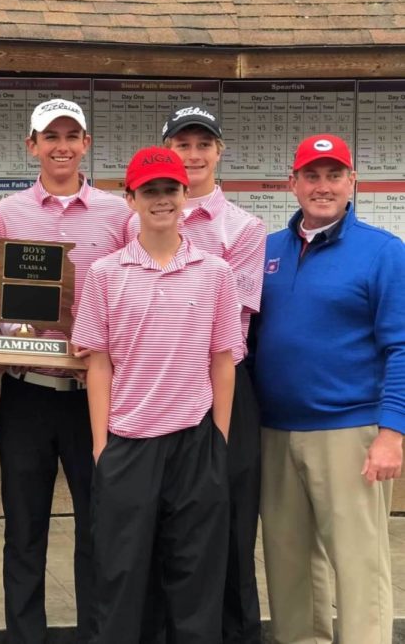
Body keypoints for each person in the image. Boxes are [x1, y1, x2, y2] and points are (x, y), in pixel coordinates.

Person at [73, 146, 240, 643]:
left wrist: (219, 441)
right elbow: (97, 362)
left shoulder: (216, 273)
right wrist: (102, 444)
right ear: (130, 199)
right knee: (121, 577)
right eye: (150, 191)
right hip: (128, 441)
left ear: (185, 196)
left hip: (194, 440)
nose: (161, 200)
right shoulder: (105, 274)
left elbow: (222, 361)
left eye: (170, 190)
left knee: (194, 577)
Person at [253, 134, 404, 644]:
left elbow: (401, 348)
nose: (323, 186)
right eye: (312, 175)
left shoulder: (383, 252)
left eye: (334, 175)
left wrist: (392, 433)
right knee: (289, 566)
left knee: (359, 567)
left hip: (350, 432)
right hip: (275, 432)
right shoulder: (266, 250)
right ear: (292, 182)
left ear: (352, 181)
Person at [0, 98, 129, 642]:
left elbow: (132, 291)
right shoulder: (9, 215)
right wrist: (5, 344)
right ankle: (27, 634)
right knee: (25, 530)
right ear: (33, 147)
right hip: (26, 394)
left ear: (86, 143)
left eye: (72, 135)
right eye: (51, 137)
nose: (62, 146)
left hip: (95, 396)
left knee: (100, 526)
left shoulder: (118, 213)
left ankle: (98, 632)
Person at [130, 107, 266, 643]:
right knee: (159, 528)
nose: (194, 154)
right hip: (148, 391)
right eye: (182, 144)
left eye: (202, 144)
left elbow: (234, 320)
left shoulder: (244, 228)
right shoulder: (140, 214)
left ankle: (234, 634)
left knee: (228, 527)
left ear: (218, 151)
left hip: (220, 386)